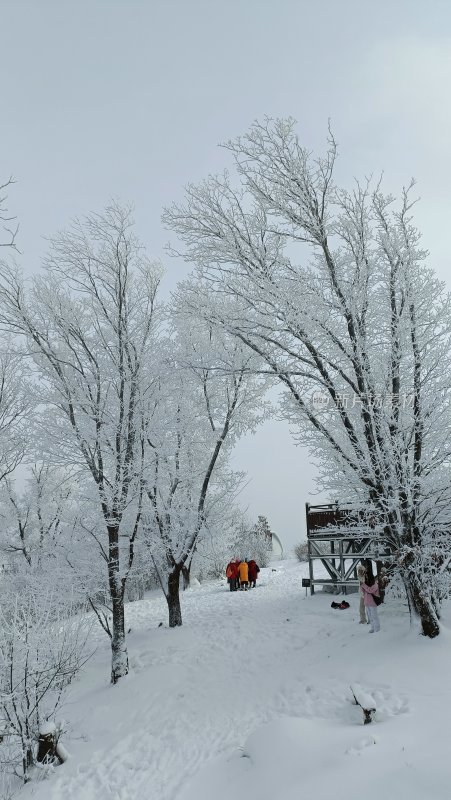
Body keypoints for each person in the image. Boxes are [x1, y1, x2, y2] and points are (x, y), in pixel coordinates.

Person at [360, 559, 380, 633]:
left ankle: (377, 629)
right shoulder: (366, 583)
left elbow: (370, 590)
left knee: (374, 616)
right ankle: (372, 627)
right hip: (367, 602)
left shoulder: (375, 584)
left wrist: (364, 585)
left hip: (372, 602)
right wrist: (361, 585)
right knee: (370, 616)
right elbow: (363, 591)